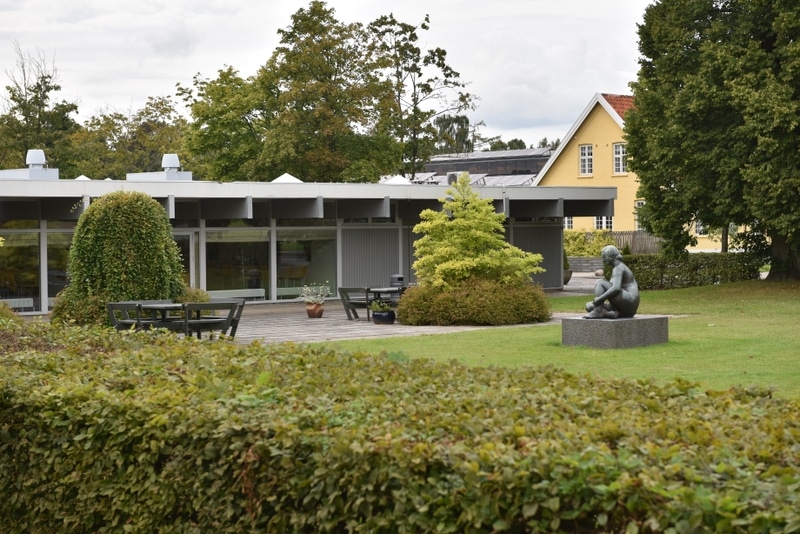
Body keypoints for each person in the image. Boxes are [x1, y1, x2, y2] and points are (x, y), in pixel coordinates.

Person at [584, 245, 640, 319]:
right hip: (627, 309)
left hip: (629, 301)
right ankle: (609, 314)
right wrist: (599, 301)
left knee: (600, 282)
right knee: (589, 305)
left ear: (610, 256)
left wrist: (600, 299)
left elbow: (616, 288)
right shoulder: (617, 267)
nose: (603, 260)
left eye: (604, 257)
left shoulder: (618, 268)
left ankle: (598, 311)